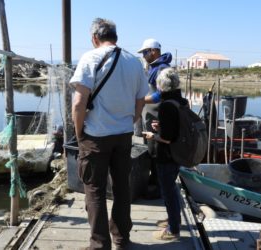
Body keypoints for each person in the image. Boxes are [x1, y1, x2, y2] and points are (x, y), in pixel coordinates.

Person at [70, 18, 148, 250]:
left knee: (94, 190)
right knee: (122, 188)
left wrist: (79, 133)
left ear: (95, 38)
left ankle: (99, 245)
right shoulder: (134, 61)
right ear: (116, 37)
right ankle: (122, 240)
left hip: (95, 136)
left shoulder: (90, 58)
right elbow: (140, 99)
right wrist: (130, 121)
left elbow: (78, 103)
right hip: (123, 135)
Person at [142, 68, 185, 241]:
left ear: (160, 86)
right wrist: (161, 127)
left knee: (168, 191)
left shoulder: (166, 105)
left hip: (167, 155)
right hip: (178, 154)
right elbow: (177, 128)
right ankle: (174, 219)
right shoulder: (181, 101)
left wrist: (154, 135)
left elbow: (168, 138)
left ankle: (173, 229)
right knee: (172, 189)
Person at [137, 39, 172, 197]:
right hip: (150, 115)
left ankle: (159, 188)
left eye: (145, 52)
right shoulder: (154, 68)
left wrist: (141, 100)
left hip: (157, 116)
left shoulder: (162, 69)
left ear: (154, 51)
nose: (143, 56)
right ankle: (153, 179)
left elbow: (161, 94)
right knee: (151, 149)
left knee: (157, 150)